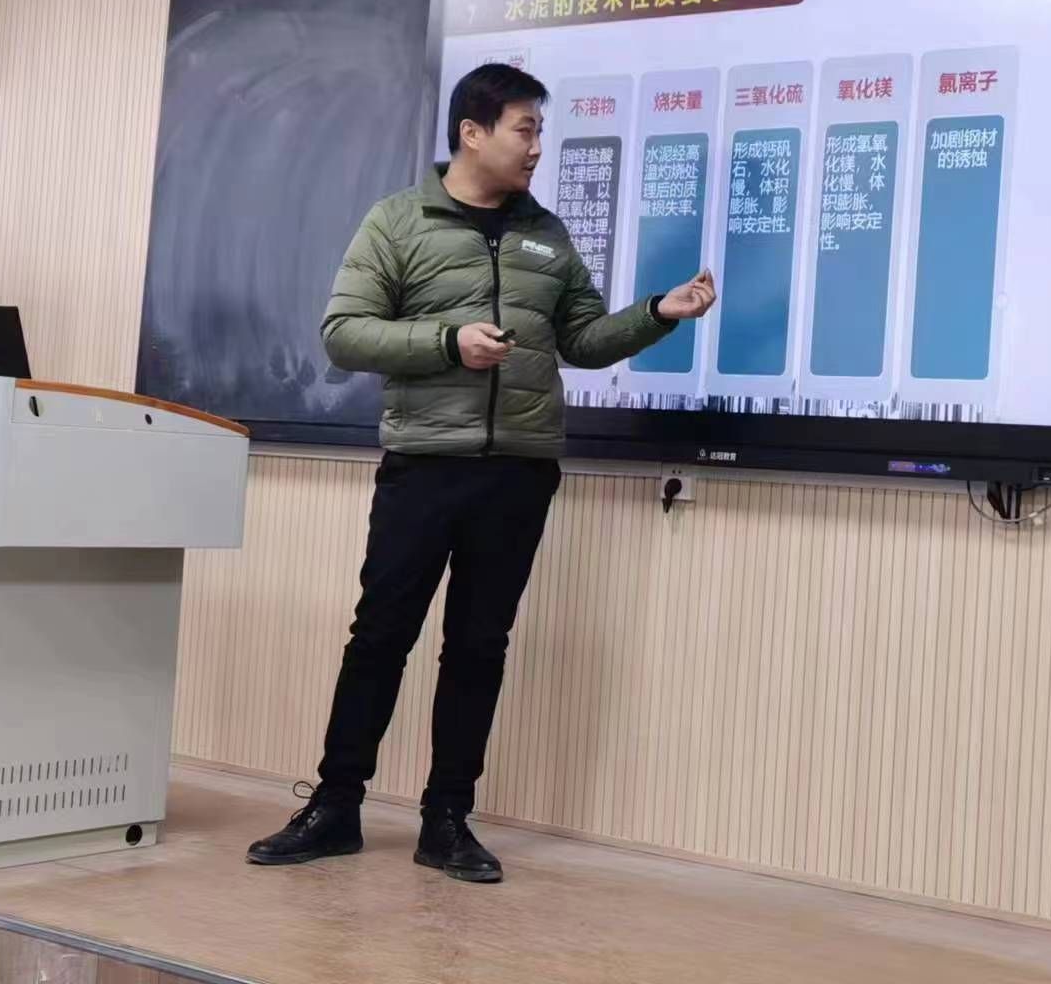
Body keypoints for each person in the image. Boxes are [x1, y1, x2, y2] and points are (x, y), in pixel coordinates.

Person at [246, 63, 716, 882]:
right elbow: (344, 333)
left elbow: (581, 340)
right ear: (473, 132)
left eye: (539, 131)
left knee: (479, 647)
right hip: (424, 464)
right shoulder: (398, 221)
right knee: (380, 637)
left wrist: (655, 315)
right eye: (524, 129)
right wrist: (446, 342)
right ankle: (335, 806)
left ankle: (447, 820)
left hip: (519, 472)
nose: (537, 146)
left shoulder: (547, 235)